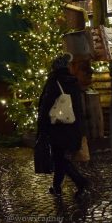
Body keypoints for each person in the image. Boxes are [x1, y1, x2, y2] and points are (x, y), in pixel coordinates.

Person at [36, 53, 89, 198]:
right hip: (72, 125)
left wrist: (42, 127)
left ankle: (80, 181)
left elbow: (45, 106)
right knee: (60, 157)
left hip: (57, 126)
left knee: (60, 158)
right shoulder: (73, 82)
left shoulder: (54, 82)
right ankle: (56, 186)